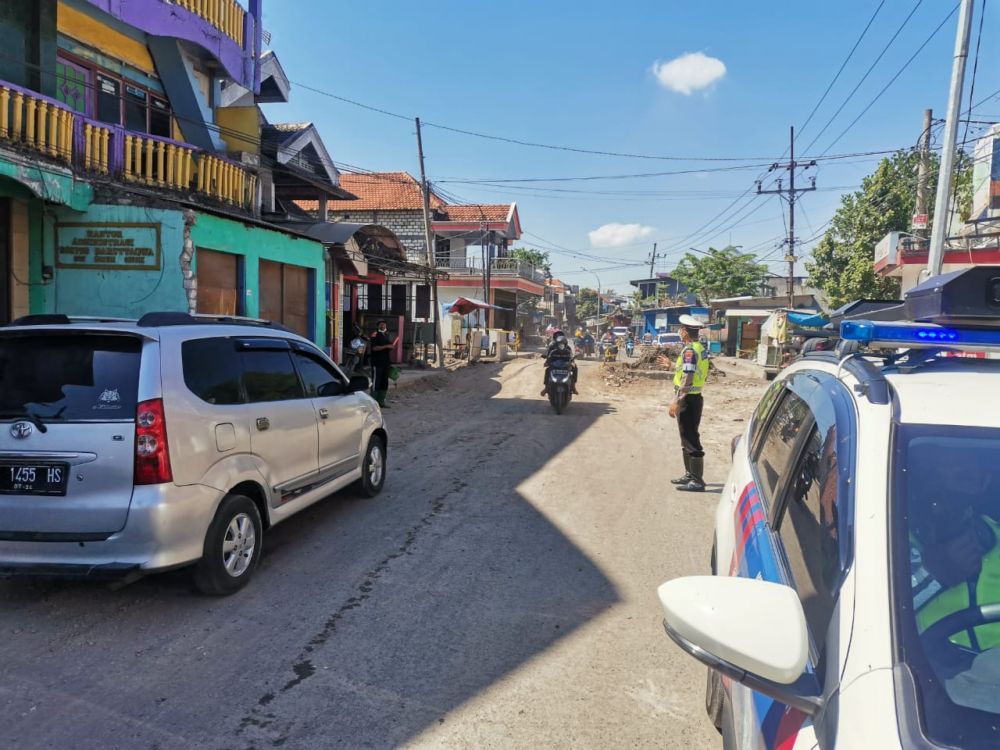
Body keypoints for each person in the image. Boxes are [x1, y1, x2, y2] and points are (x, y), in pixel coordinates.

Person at [659, 315, 709, 492]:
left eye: (681, 329)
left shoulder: (689, 351)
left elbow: (688, 378)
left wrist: (677, 400)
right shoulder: (699, 348)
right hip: (694, 398)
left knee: (690, 438)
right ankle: (690, 474)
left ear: (685, 331)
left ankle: (697, 480)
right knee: (686, 436)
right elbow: (689, 370)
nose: (680, 331)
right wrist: (672, 365)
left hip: (688, 399)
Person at [540, 330, 579, 396]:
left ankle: (573, 387)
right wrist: (547, 362)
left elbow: (571, 356)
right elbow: (548, 355)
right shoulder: (552, 347)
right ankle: (546, 388)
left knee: (575, 368)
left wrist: (572, 362)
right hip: (554, 365)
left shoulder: (568, 348)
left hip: (565, 365)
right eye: (557, 336)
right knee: (547, 370)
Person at [369, 321, 397, 408]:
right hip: (377, 363)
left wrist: (391, 347)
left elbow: (388, 347)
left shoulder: (386, 335)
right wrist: (386, 346)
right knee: (376, 382)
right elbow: (374, 348)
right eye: (381, 324)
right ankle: (373, 403)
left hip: (386, 362)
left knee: (384, 382)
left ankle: (381, 402)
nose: (383, 326)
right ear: (378, 326)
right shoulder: (375, 334)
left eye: (384, 324)